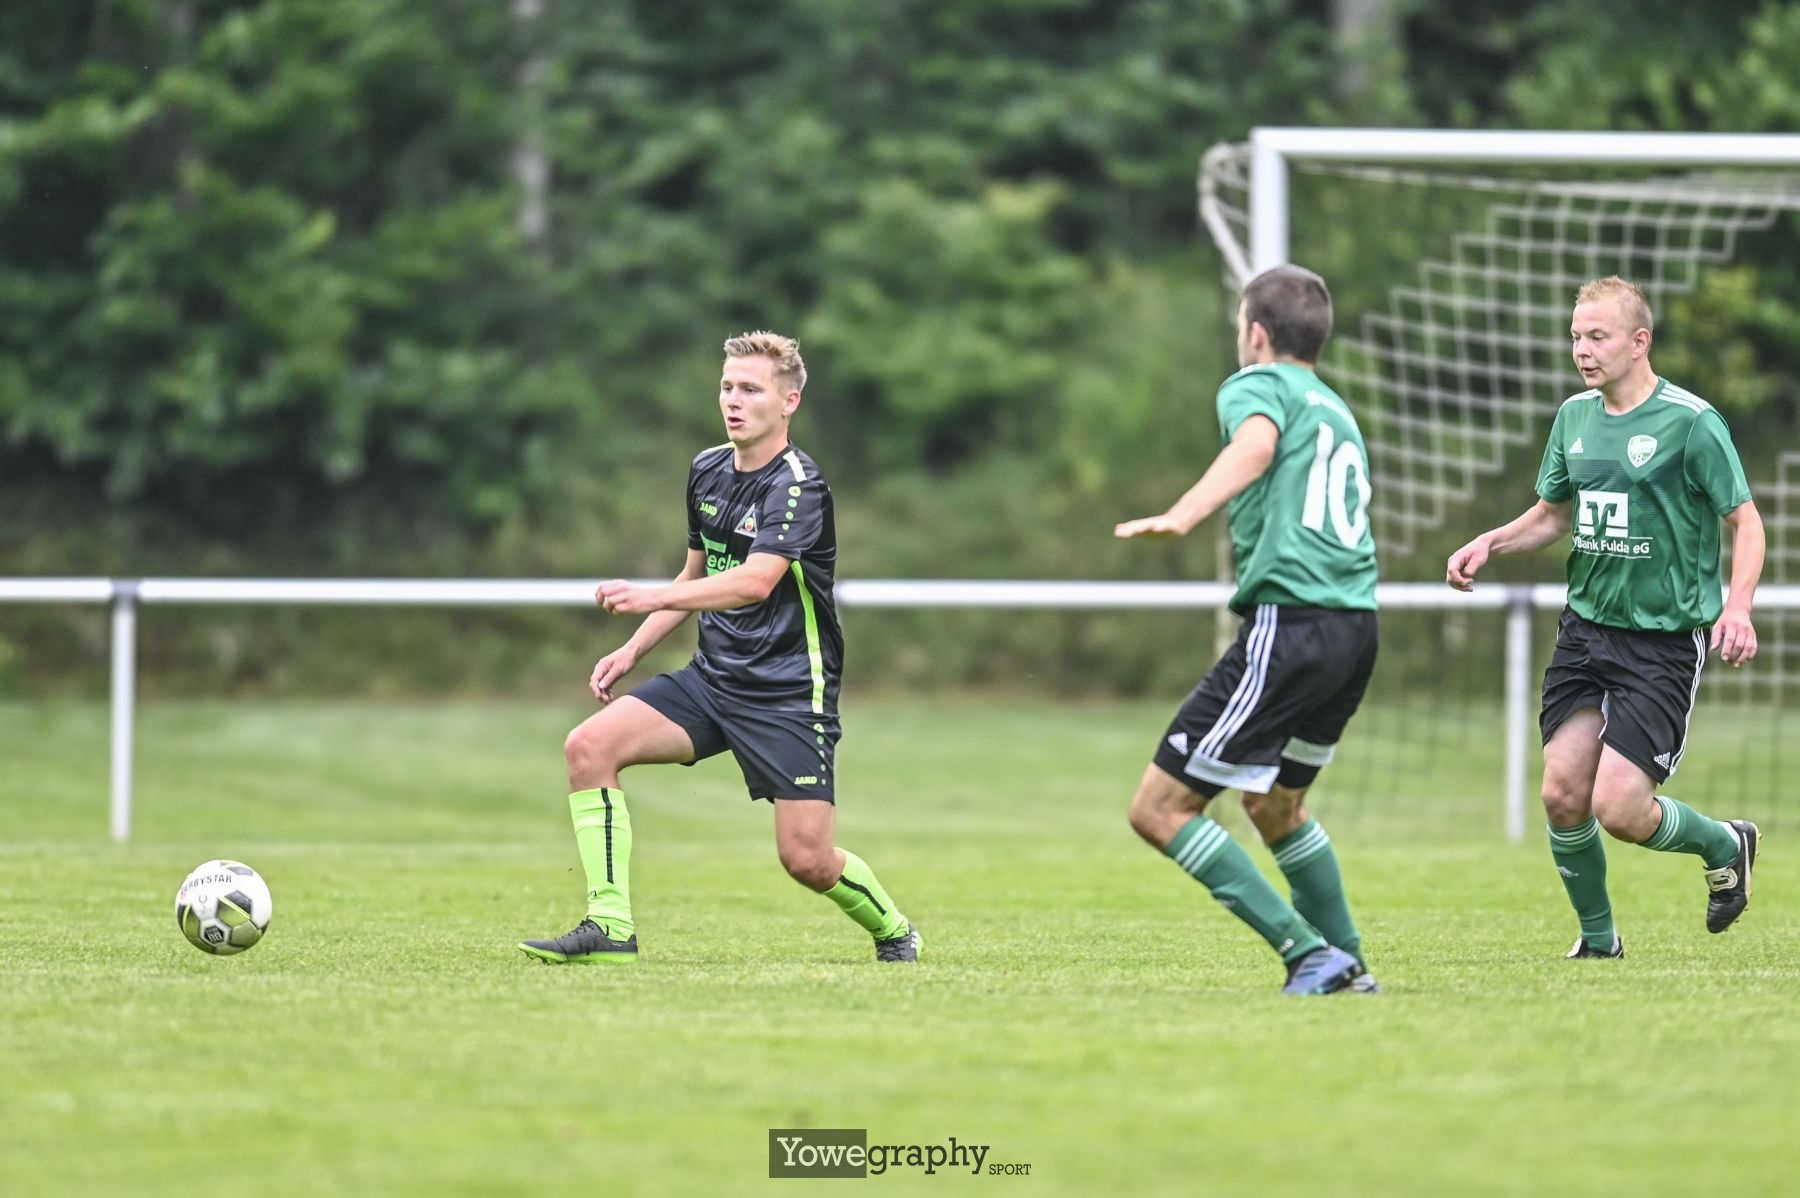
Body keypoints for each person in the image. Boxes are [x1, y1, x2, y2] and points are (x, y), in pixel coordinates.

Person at [520, 331, 919, 964]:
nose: (733, 400)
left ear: (788, 401)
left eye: (750, 389)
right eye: (727, 387)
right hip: (712, 680)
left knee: (807, 859)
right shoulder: (707, 468)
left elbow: (754, 582)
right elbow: (697, 574)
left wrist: (651, 597)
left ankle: (895, 931)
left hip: (789, 693)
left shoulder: (799, 486)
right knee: (588, 747)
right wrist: (632, 651)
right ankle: (610, 924)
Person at [1447, 276, 1764, 959]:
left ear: (1639, 341)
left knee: (1618, 810)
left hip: (1662, 642)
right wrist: (1490, 543)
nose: (1582, 351)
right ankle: (1598, 942)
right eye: (1575, 337)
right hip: (1586, 632)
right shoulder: (1574, 418)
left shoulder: (1691, 423)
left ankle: (1724, 843)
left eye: (1598, 337)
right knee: (1562, 794)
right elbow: (1552, 516)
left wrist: (1737, 606)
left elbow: (1747, 521)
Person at [1116, 264, 1379, 996]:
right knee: (1275, 805)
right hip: (1355, 628)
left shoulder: (1256, 385)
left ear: (1256, 333)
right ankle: (1349, 965)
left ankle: (1308, 954)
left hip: (1291, 624)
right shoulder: (1335, 407)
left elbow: (1256, 446)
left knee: (1158, 810)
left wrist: (1183, 514)